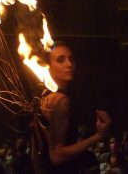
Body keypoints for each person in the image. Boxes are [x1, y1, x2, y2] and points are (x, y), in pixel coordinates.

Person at [31, 41, 112, 174]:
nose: (69, 64)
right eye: (60, 60)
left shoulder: (44, 96)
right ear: (48, 66)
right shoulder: (61, 101)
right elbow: (57, 156)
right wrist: (99, 135)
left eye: (71, 59)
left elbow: (37, 153)